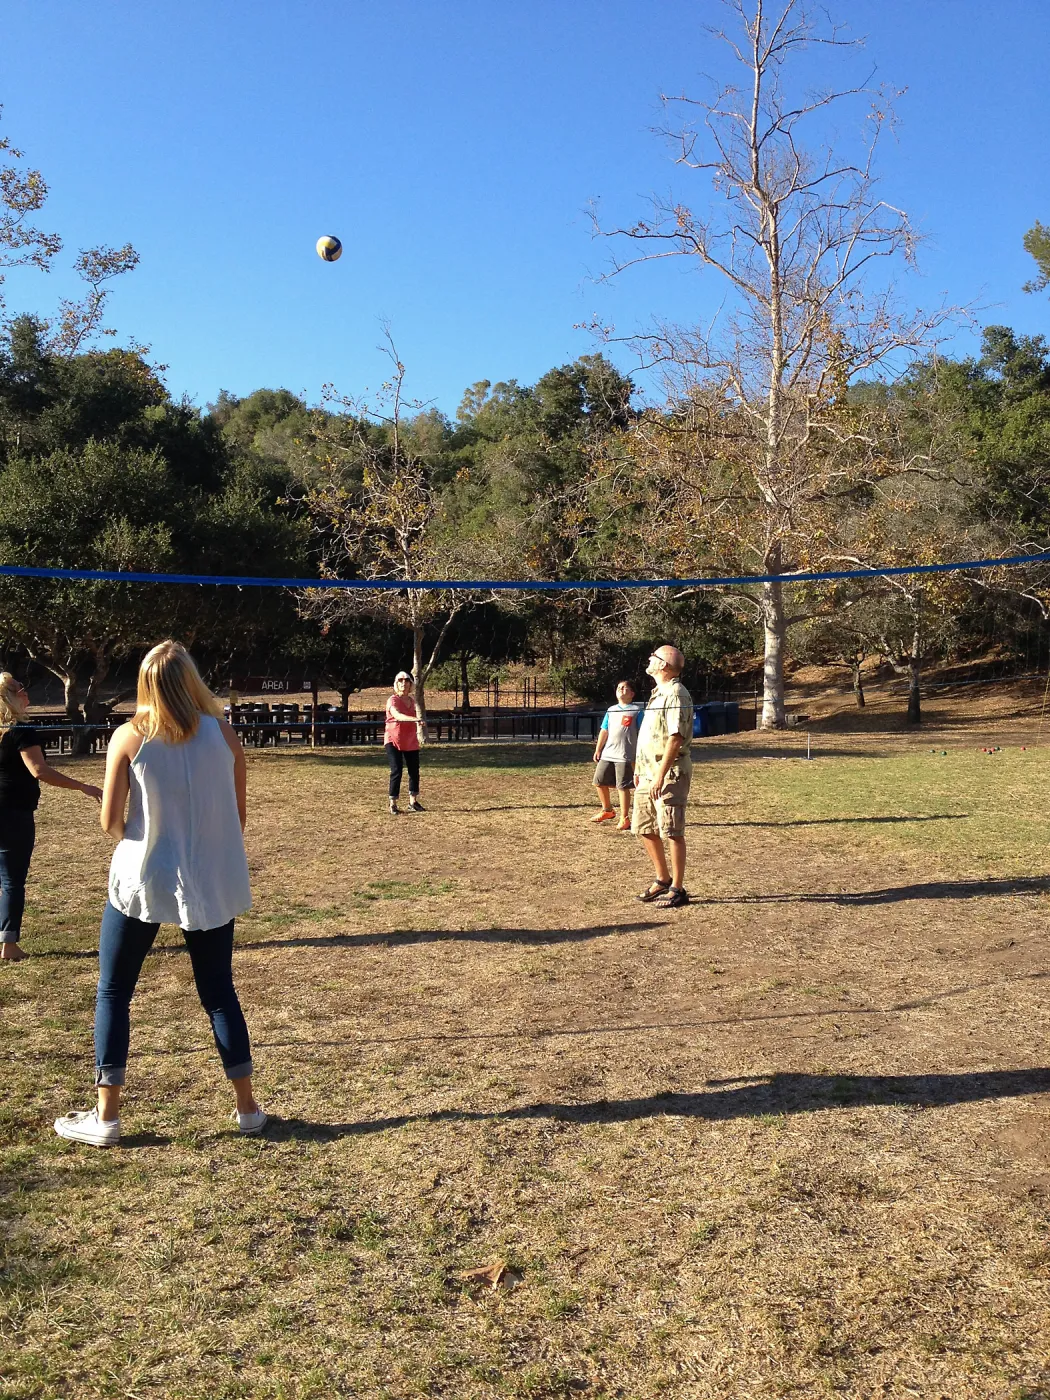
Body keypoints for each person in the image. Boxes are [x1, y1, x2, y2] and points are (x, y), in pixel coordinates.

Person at [54, 641, 265, 1147]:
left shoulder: (129, 738)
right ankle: (248, 1108)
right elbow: (236, 819)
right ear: (191, 680)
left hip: (142, 877)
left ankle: (107, 1115)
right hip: (210, 878)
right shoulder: (224, 735)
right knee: (218, 992)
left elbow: (112, 824)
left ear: (146, 684)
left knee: (113, 990)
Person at [0, 673, 103, 963]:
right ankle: (9, 945)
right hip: (13, 812)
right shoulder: (21, 730)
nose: (27, 694)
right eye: (21, 690)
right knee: (12, 881)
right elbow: (39, 770)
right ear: (10, 696)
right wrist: (82, 786)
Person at [632, 645, 694, 909]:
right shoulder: (658, 694)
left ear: (665, 666)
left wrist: (660, 774)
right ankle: (662, 879)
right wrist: (639, 769)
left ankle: (678, 889)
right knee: (643, 828)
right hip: (647, 774)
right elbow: (649, 735)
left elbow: (675, 738)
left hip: (668, 773)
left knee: (672, 830)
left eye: (654, 657)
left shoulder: (677, 694)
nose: (649, 659)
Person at [590, 680, 643, 831]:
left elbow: (643, 731)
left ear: (632, 694)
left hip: (625, 755)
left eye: (625, 687)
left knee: (622, 786)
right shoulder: (611, 710)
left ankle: (624, 818)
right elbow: (604, 730)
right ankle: (607, 810)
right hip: (608, 753)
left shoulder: (636, 711)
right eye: (619, 687)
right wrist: (598, 749)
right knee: (599, 782)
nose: (621, 689)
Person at [384, 670, 424, 815]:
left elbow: (413, 718)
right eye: (400, 681)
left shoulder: (412, 701)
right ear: (396, 684)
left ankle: (413, 802)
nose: (403, 683)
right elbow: (397, 715)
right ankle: (393, 804)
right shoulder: (392, 700)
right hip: (393, 740)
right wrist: (415, 719)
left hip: (410, 740)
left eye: (406, 680)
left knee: (414, 771)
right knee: (397, 770)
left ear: (410, 684)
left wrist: (419, 723)